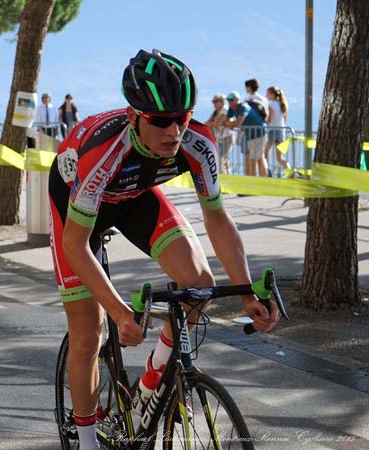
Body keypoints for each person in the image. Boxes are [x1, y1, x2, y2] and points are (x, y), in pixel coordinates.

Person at [48, 49, 280, 450]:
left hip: (134, 198)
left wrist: (246, 294)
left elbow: (217, 219)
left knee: (199, 283)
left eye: (182, 117)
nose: (173, 130)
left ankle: (153, 380)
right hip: (75, 210)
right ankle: (87, 441)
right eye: (160, 120)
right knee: (88, 333)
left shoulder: (198, 142)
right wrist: (120, 313)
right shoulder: (104, 151)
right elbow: (75, 244)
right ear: (134, 116)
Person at [224, 91, 266, 176]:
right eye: (228, 100)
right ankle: (253, 178)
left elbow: (239, 122)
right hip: (249, 134)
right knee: (253, 157)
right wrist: (231, 124)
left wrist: (230, 124)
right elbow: (225, 122)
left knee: (257, 158)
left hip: (258, 133)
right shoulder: (231, 108)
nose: (230, 102)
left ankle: (261, 178)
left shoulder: (243, 107)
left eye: (232, 100)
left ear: (237, 100)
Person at [264, 86, 290, 177]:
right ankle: (290, 171)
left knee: (264, 153)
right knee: (279, 157)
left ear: (272, 94)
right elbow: (284, 119)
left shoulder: (271, 103)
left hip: (272, 130)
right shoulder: (282, 104)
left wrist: (264, 122)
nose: (266, 96)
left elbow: (269, 119)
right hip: (281, 131)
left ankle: (266, 171)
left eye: (267, 94)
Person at [205, 93, 234, 174]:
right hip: (219, 137)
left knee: (222, 158)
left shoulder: (225, 109)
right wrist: (212, 123)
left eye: (216, 101)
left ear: (222, 102)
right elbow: (206, 123)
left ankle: (224, 174)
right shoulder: (215, 112)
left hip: (227, 136)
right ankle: (226, 174)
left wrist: (212, 123)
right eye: (213, 101)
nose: (214, 103)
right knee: (222, 159)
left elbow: (218, 123)